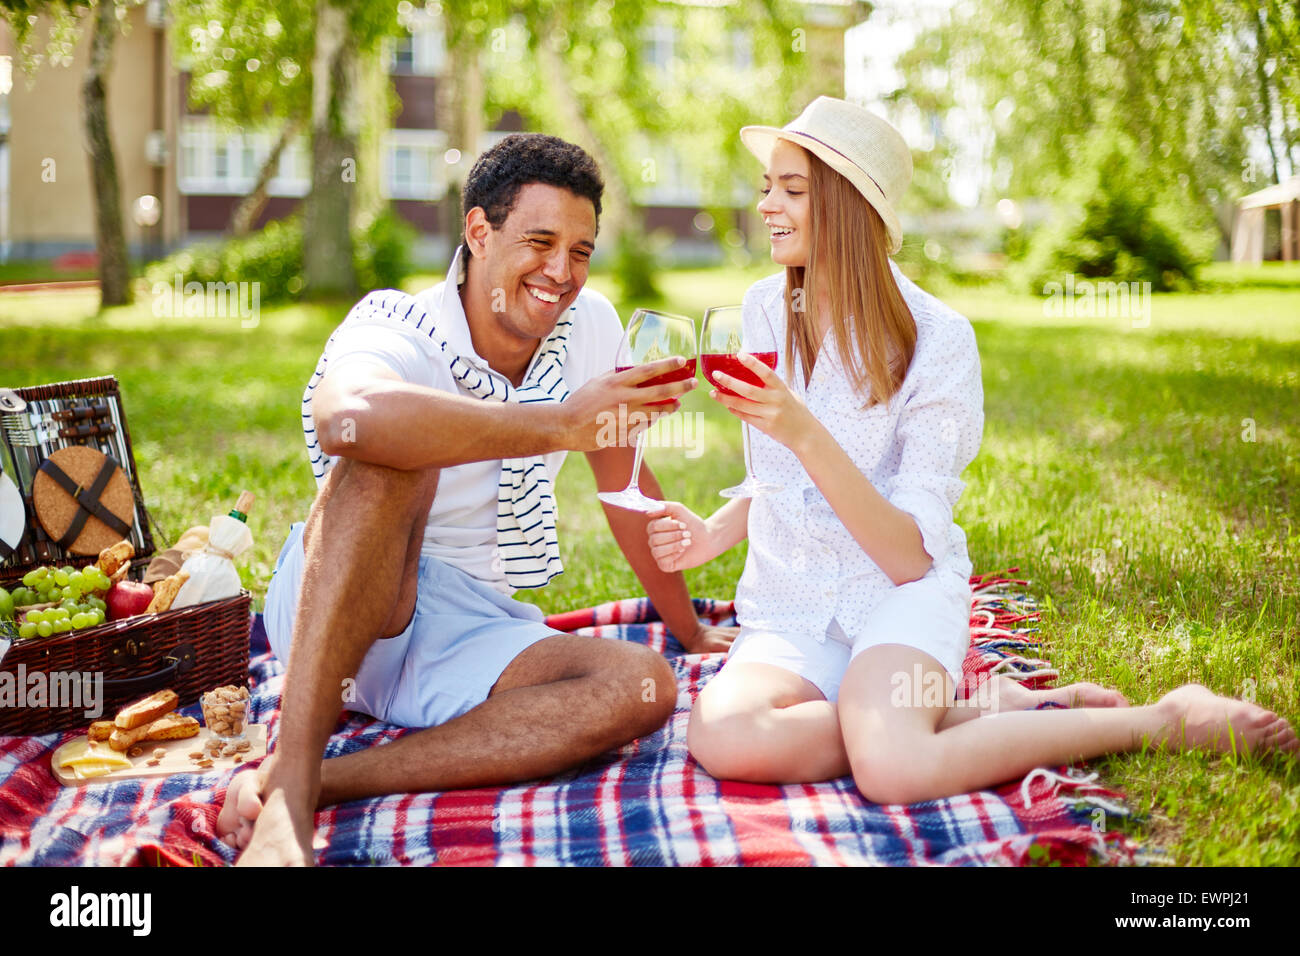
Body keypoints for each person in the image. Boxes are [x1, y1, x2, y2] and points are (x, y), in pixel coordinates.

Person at [645, 97, 1297, 802]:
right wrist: (712, 533)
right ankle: (987, 712)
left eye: (792, 189)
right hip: (791, 608)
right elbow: (774, 479)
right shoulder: (763, 310)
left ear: (849, 205)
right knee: (721, 735)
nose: (768, 204)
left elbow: (909, 556)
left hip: (900, 599)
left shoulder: (939, 339)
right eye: (767, 186)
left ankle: (1164, 719)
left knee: (893, 769)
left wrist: (804, 429)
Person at [219, 133, 736, 865]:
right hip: (352, 594)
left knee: (645, 687)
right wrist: (556, 422)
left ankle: (328, 780)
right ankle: (291, 800)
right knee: (390, 452)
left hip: (472, 627)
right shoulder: (399, 324)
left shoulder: (591, 328)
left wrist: (685, 630)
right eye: (540, 241)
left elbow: (625, 486)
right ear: (478, 231)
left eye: (581, 251)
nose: (561, 272)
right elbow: (346, 418)